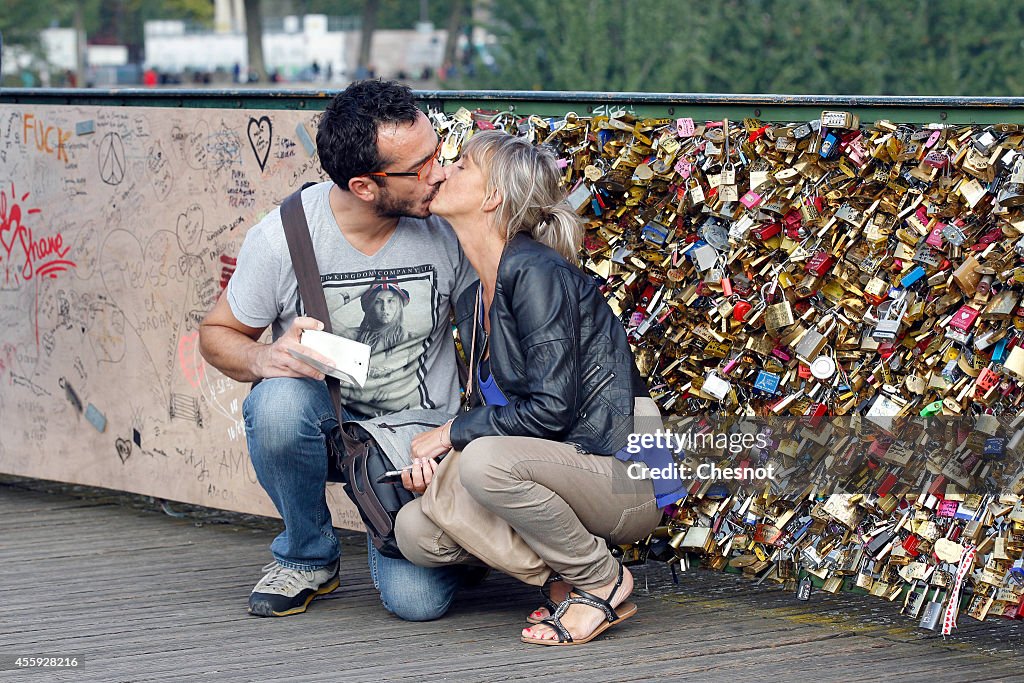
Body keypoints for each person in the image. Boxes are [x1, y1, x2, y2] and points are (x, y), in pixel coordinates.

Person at [198, 79, 477, 620]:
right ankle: (307, 556)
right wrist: (262, 358)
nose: (439, 172)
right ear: (365, 186)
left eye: (438, 153)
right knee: (275, 403)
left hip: (423, 441)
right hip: (335, 429)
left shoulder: (446, 222)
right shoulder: (284, 237)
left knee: (417, 603)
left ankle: (444, 536)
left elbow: (500, 332)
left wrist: (461, 442)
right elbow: (216, 334)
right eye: (419, 167)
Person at [394, 130, 683, 645]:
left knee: (481, 460)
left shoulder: (535, 273)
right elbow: (507, 419)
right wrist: (440, 474)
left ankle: (603, 579)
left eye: (460, 166)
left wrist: (450, 435)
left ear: (492, 197)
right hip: (555, 472)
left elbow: (550, 411)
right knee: (416, 528)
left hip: (621, 479)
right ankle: (560, 583)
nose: (442, 171)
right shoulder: (473, 295)